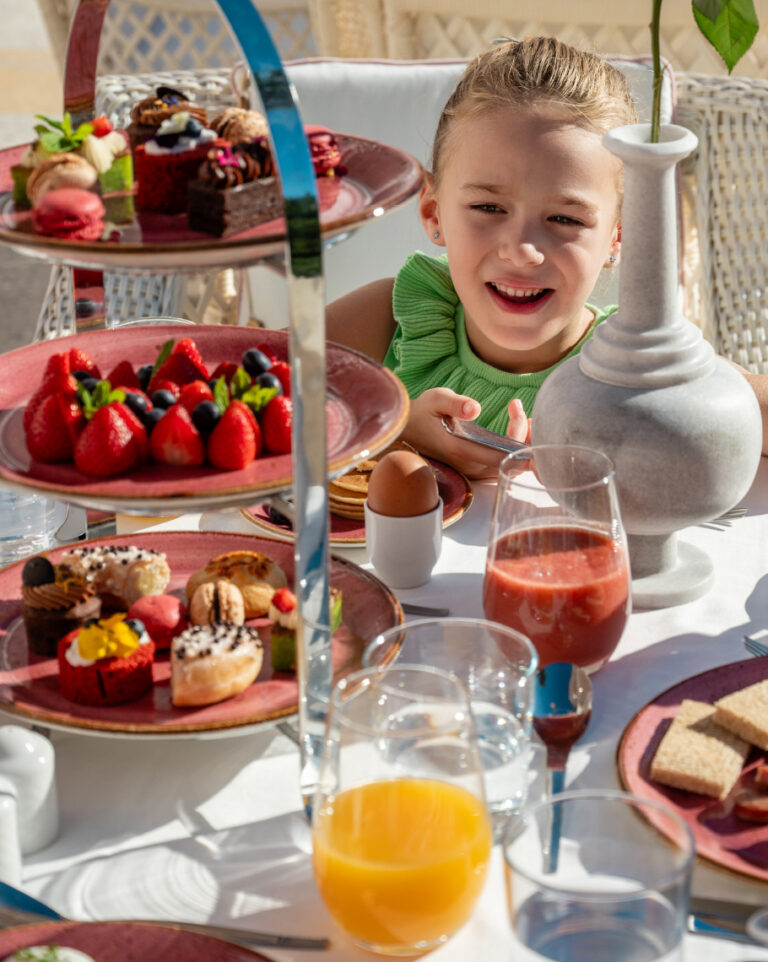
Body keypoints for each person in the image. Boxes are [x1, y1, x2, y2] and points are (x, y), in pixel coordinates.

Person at [326, 36, 768, 478]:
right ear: (432, 212)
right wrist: (397, 432)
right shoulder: (396, 317)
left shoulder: (637, 358)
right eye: (488, 208)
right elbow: (280, 389)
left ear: (618, 236)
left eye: (564, 218)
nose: (521, 251)